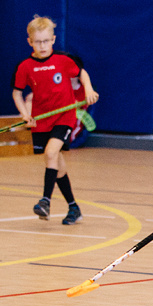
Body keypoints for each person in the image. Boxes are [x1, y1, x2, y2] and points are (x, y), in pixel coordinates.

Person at [12, 15, 98, 225]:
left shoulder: (63, 60)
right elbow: (17, 93)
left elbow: (82, 74)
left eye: (46, 41)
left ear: (53, 40)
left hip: (64, 117)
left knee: (51, 153)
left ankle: (45, 201)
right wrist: (25, 114)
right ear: (29, 42)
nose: (42, 46)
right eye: (37, 42)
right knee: (56, 163)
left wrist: (88, 89)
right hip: (41, 120)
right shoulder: (25, 66)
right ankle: (73, 208)